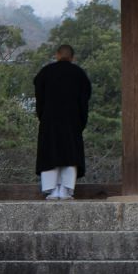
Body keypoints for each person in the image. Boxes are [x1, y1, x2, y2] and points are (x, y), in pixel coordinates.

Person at [33, 44, 91, 200]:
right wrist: (80, 121)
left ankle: (51, 190)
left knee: (50, 152)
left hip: (50, 120)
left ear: (57, 55)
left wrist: (43, 116)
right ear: (72, 57)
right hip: (72, 121)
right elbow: (84, 101)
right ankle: (66, 189)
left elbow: (39, 97)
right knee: (70, 153)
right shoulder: (79, 74)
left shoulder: (46, 73)